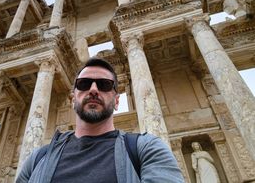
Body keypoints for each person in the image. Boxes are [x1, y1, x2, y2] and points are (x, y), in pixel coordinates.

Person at [16, 57, 184, 183]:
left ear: (117, 101)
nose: (94, 90)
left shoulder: (147, 149)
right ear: (72, 99)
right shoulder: (38, 158)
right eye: (84, 84)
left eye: (104, 85)